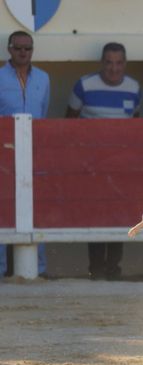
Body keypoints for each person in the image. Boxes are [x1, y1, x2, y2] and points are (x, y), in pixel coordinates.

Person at [65, 42, 141, 280]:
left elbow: (135, 123)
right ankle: (96, 269)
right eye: (109, 62)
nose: (113, 68)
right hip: (93, 164)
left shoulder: (133, 87)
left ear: (125, 64)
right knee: (96, 214)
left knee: (119, 216)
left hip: (121, 165)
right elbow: (70, 122)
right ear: (101, 63)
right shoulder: (84, 85)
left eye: (118, 63)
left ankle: (113, 269)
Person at [0, 31, 49, 278]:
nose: (23, 52)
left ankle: (38, 270)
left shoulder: (43, 78)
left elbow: (43, 114)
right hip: (3, 154)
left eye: (27, 48)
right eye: (18, 48)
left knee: (36, 211)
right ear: (9, 50)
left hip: (34, 153)